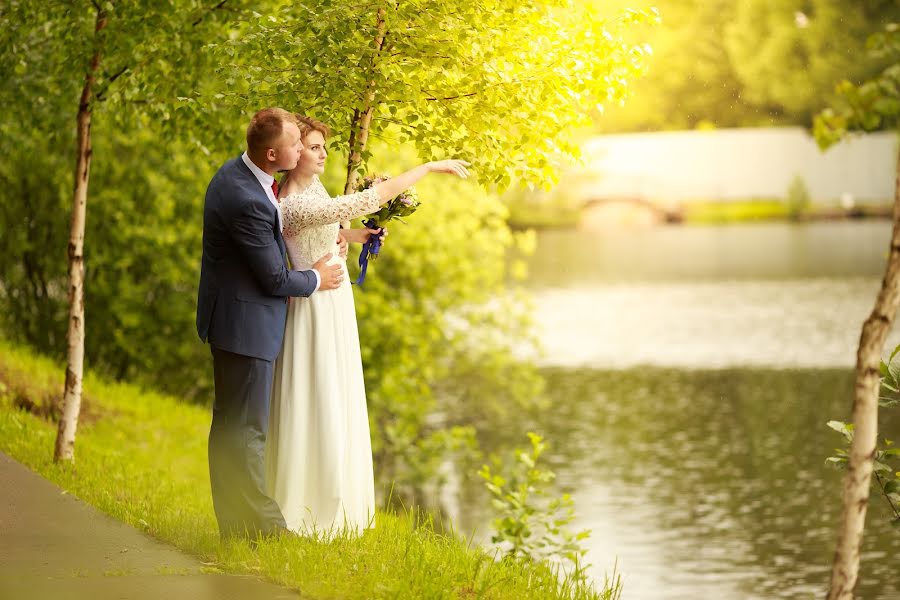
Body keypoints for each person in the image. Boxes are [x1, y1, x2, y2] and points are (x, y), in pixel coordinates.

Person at [266, 114, 469, 534]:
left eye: (324, 146)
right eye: (315, 147)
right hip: (315, 307)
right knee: (318, 397)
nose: (323, 153)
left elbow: (323, 230)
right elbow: (362, 201)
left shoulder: (311, 190)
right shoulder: (295, 200)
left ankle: (335, 502)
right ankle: (309, 507)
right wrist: (428, 168)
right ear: (295, 152)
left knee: (336, 394)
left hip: (333, 300)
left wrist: (354, 237)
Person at [196, 108, 344, 540]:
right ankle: (268, 530)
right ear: (273, 152)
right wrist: (318, 277)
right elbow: (275, 278)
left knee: (230, 429)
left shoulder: (241, 174)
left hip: (231, 318)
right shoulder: (248, 200)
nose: (302, 151)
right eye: (297, 145)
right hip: (245, 327)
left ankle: (236, 527)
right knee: (247, 432)